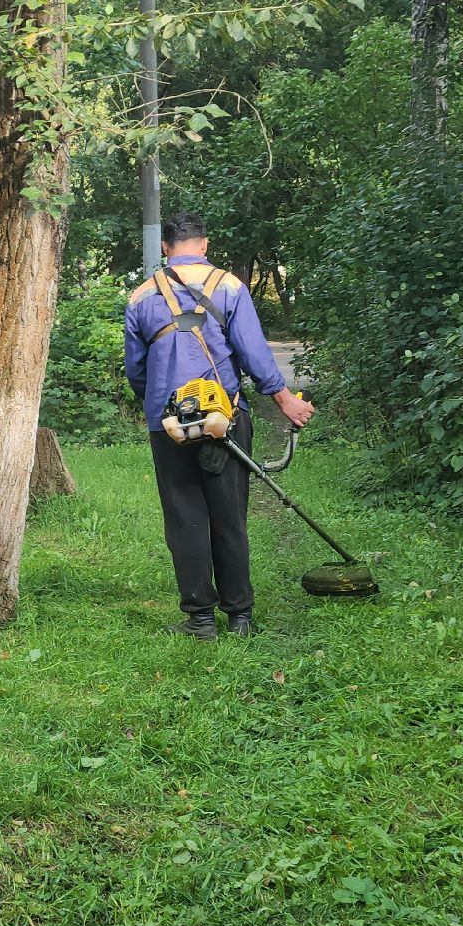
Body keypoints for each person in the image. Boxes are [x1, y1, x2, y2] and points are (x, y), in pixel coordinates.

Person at [125, 213, 314, 639]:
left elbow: (135, 370)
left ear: (165, 248)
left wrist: (157, 402)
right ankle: (240, 617)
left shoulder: (140, 296)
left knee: (184, 518)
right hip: (224, 418)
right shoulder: (229, 286)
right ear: (204, 245)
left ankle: (200, 619)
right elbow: (251, 349)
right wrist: (282, 397)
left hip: (168, 422)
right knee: (229, 516)